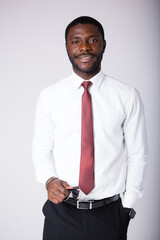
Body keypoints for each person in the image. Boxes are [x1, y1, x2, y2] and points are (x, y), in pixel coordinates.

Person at [32, 16, 148, 240]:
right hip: (61, 212)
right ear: (67, 47)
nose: (84, 46)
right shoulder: (49, 97)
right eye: (75, 41)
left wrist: (127, 207)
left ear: (104, 44)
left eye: (92, 40)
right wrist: (48, 179)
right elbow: (42, 150)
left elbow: (137, 155)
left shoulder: (126, 96)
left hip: (110, 215)